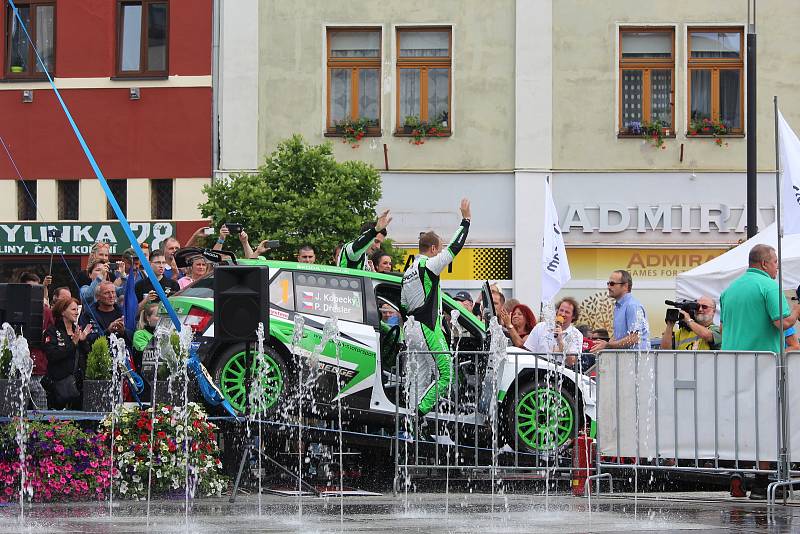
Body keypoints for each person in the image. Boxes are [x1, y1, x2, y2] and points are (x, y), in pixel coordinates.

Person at [719, 244, 800, 499]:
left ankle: (738, 475)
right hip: (761, 367)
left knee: (739, 424)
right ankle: (761, 482)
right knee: (765, 425)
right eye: (775, 262)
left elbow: (723, 328)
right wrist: (797, 310)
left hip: (731, 365)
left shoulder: (729, 290)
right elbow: (782, 323)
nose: (777, 267)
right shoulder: (768, 287)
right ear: (765, 263)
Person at [401, 199, 470, 417]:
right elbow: (455, 248)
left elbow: (403, 304)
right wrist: (465, 221)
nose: (440, 253)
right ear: (432, 249)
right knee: (445, 374)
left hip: (411, 329)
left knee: (419, 378)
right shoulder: (429, 265)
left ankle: (412, 424)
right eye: (438, 249)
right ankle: (418, 413)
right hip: (426, 328)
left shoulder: (408, 270)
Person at [43, 297, 92, 409]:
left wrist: (83, 341)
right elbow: (52, 356)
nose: (76, 312)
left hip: (79, 387)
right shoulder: (52, 331)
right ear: (63, 312)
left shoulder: (78, 331)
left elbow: (88, 356)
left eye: (77, 309)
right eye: (73, 309)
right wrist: (73, 344)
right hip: (59, 387)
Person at [590, 270, 650, 352]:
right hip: (625, 359)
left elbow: (634, 338)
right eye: (608, 283)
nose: (608, 287)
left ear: (625, 286)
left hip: (636, 361)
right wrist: (602, 347)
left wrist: (608, 345)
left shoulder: (632, 306)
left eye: (612, 284)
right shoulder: (619, 306)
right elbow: (618, 336)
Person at [524, 297, 583, 363]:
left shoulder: (576, 334)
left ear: (573, 316)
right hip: (539, 369)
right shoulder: (541, 327)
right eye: (561, 310)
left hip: (562, 371)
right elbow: (528, 351)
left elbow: (572, 362)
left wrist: (560, 342)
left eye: (567, 312)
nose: (562, 314)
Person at [79, 281, 127, 345]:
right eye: (107, 293)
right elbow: (88, 340)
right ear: (97, 297)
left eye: (113, 292)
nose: (111, 296)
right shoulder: (88, 315)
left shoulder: (123, 313)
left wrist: (123, 332)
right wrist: (108, 331)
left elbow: (132, 337)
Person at [132, 302, 159, 371]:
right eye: (157, 315)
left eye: (163, 315)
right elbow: (147, 354)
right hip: (146, 374)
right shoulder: (139, 334)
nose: (161, 318)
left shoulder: (169, 334)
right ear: (148, 318)